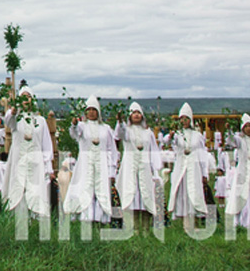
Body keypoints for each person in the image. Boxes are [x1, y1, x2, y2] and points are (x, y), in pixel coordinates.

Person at [62, 97, 119, 224]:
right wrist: (74, 124)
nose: (92, 112)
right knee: (85, 188)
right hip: (85, 163)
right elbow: (74, 134)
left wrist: (112, 170)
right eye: (89, 110)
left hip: (101, 164)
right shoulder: (82, 126)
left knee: (101, 190)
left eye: (94, 109)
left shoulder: (106, 128)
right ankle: (85, 218)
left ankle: (99, 220)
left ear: (98, 112)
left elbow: (111, 149)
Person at [4, 86, 54, 228]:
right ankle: (18, 222)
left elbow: (46, 145)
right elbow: (8, 121)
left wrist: (49, 168)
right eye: (23, 97)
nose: (26, 99)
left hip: (35, 161)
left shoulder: (40, 121)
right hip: (18, 159)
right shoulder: (16, 119)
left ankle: (36, 223)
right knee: (19, 188)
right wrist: (12, 111)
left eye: (29, 96)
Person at [115, 102, 163, 230]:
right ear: (130, 116)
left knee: (146, 195)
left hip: (145, 166)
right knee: (133, 195)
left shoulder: (148, 133)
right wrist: (120, 122)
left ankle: (146, 228)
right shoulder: (127, 130)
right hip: (130, 166)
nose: (136, 115)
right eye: (134, 113)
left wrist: (155, 169)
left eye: (138, 113)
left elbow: (153, 150)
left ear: (142, 115)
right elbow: (119, 134)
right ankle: (135, 228)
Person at [168, 103, 211, 224]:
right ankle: (185, 222)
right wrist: (171, 136)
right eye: (181, 118)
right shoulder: (178, 135)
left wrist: (204, 173)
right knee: (182, 192)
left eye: (186, 118)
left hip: (194, 167)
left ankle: (195, 220)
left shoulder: (198, 135)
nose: (184, 121)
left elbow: (202, 154)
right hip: (181, 167)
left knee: (194, 191)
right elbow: (169, 143)